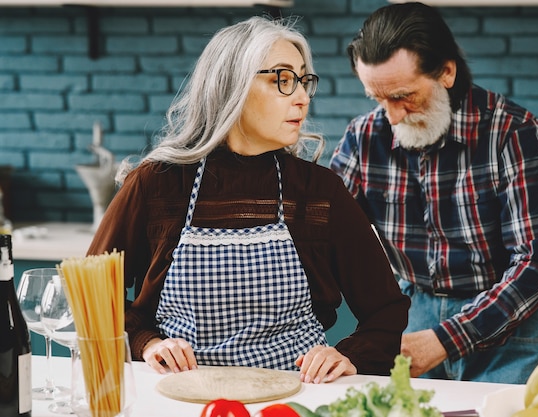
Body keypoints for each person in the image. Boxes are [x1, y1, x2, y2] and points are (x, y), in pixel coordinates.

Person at [87, 16, 409, 384]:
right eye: (283, 80)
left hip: (295, 399)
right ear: (232, 86)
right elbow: (92, 296)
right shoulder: (156, 184)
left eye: (304, 81)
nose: (302, 97)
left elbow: (386, 310)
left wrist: (347, 355)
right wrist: (146, 343)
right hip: (181, 395)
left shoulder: (320, 190)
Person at [330, 2, 538, 384]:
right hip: (409, 323)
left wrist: (445, 338)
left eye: (404, 96)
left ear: (446, 72)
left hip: (507, 335)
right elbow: (319, 236)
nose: (391, 116)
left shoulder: (512, 132)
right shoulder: (363, 137)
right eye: (378, 99)